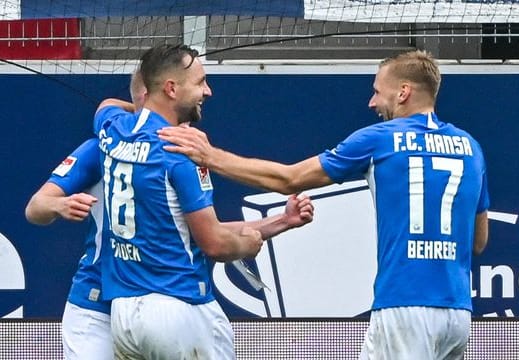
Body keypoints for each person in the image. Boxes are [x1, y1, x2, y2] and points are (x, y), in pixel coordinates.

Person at [157, 50, 490, 360]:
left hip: (405, 305)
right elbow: (478, 242)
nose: (372, 101)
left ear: (403, 93)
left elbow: (289, 179)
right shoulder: (471, 147)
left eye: (378, 91)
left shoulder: (380, 138)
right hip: (457, 313)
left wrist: (210, 157)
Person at [93, 43, 314, 359]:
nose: (207, 91)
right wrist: (246, 246)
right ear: (171, 88)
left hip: (124, 316)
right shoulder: (182, 152)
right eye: (199, 82)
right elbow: (215, 244)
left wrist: (281, 221)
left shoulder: (111, 129)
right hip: (177, 308)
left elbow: (105, 105)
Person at [25, 70, 147, 359]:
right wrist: (60, 205)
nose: (207, 92)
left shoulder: (186, 150)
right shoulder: (100, 148)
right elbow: (35, 207)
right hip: (95, 307)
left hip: (155, 308)